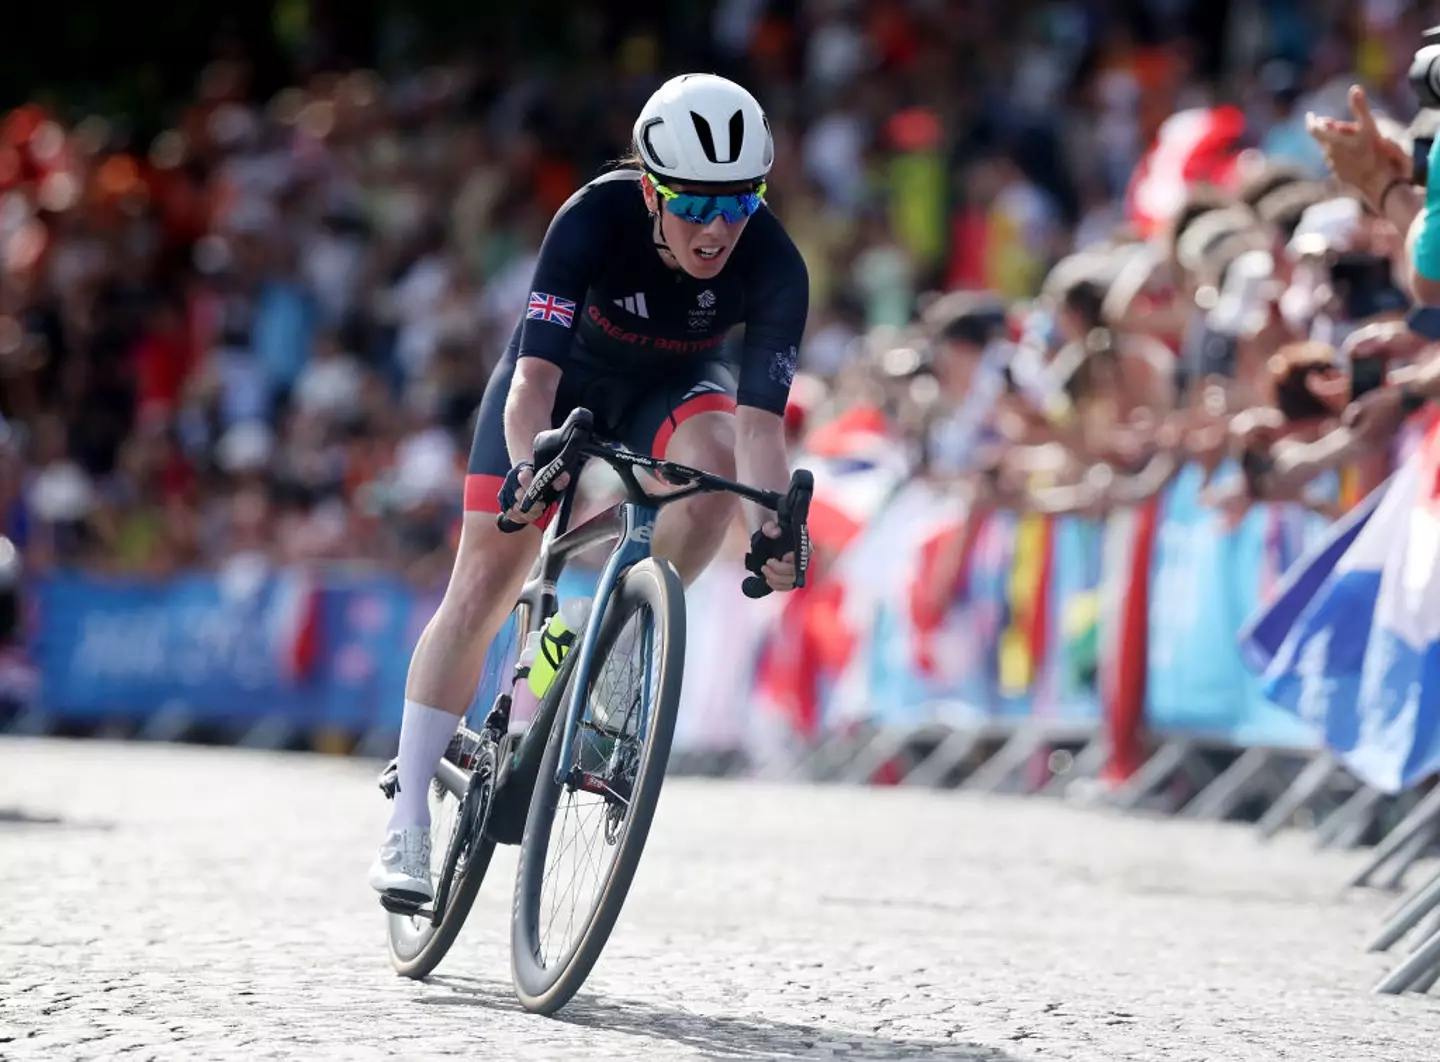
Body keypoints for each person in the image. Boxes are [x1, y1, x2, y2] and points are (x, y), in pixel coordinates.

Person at [369, 74, 812, 903]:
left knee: (711, 476)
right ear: (650, 189)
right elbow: (533, 378)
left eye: (739, 205)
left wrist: (775, 529)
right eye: (693, 205)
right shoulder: (593, 217)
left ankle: (613, 650)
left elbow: (759, 433)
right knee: (486, 579)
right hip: (560, 388)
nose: (717, 230)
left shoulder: (776, 262)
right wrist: (531, 465)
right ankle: (408, 823)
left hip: (671, 390)